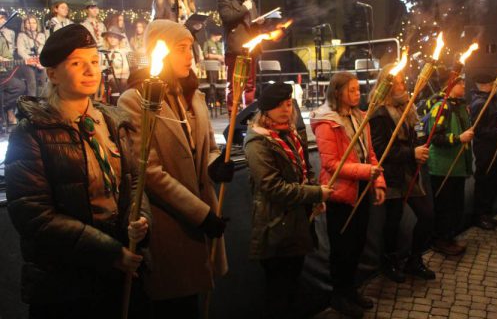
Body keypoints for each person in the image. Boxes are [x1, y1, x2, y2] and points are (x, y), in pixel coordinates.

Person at [5, 23, 151, 318]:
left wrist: (141, 218)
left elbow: (134, 182)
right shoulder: (32, 132)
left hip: (119, 277)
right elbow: (34, 215)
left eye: (95, 62)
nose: (90, 71)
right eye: (77, 63)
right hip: (65, 287)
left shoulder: (112, 121)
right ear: (53, 74)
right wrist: (109, 252)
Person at [118, 19, 232, 317]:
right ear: (162, 51)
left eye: (190, 48)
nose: (190, 56)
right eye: (181, 49)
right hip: (171, 224)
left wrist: (216, 164)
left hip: (201, 220)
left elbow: (207, 147)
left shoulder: (194, 96)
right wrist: (201, 213)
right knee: (174, 307)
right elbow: (150, 172)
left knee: (195, 303)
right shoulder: (135, 100)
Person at [244, 82, 332, 319]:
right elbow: (273, 187)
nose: (286, 109)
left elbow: (304, 169)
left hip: (297, 223)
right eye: (279, 105)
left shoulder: (290, 133)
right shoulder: (258, 142)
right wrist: (315, 193)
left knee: (292, 283)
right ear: (266, 110)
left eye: (288, 104)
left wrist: (314, 191)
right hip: (275, 227)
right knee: (279, 292)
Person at [310, 72, 386, 319]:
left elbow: (370, 153)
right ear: (338, 92)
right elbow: (331, 163)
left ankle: (351, 290)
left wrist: (378, 182)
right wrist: (366, 172)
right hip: (340, 193)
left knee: (358, 244)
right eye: (352, 90)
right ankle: (339, 295)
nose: (358, 94)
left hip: (362, 188)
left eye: (358, 89)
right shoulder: (327, 122)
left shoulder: (361, 117)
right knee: (342, 248)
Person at [369, 65, 435, 282]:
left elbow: (415, 135)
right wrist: (411, 153)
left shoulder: (408, 108)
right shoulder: (379, 113)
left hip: (409, 172)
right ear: (387, 87)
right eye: (396, 82)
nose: (402, 85)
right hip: (392, 174)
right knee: (393, 221)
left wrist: (420, 145)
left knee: (427, 215)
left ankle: (414, 261)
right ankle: (389, 263)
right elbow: (381, 150)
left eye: (402, 80)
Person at [427, 72, 473, 256]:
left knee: (455, 206)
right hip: (443, 167)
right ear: (449, 86)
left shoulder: (460, 106)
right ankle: (440, 240)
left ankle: (449, 236)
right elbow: (435, 138)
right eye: (460, 83)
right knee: (445, 207)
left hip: (457, 166)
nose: (463, 86)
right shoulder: (441, 107)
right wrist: (458, 138)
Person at [217, 0, 264, 114]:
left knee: (250, 84)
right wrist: (245, 8)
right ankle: (232, 114)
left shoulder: (250, 3)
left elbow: (252, 23)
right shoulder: (225, 1)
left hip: (252, 47)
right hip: (235, 48)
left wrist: (259, 22)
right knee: (234, 84)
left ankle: (248, 112)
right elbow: (228, 18)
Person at [469, 70, 497, 230]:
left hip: (494, 149)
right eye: (492, 84)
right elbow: (477, 130)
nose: (494, 87)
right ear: (485, 86)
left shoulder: (490, 101)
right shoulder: (479, 103)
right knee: (484, 183)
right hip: (485, 151)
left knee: (492, 184)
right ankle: (480, 216)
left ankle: (488, 214)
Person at [16, 15, 47, 96]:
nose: (32, 24)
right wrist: (31, 60)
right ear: (25, 25)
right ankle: (31, 104)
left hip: (39, 60)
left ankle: (42, 102)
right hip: (28, 61)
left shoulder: (41, 35)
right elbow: (21, 51)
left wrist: (39, 60)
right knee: (32, 83)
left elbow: (43, 48)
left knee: (43, 82)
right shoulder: (21, 35)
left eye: (34, 23)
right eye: (29, 23)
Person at [101, 26, 131, 101]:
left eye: (115, 37)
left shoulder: (123, 51)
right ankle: (114, 100)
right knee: (113, 83)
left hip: (122, 75)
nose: (112, 39)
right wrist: (110, 73)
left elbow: (125, 67)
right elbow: (103, 66)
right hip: (110, 76)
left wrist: (123, 76)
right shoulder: (104, 52)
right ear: (107, 38)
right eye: (110, 37)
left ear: (119, 39)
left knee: (123, 85)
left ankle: (121, 99)